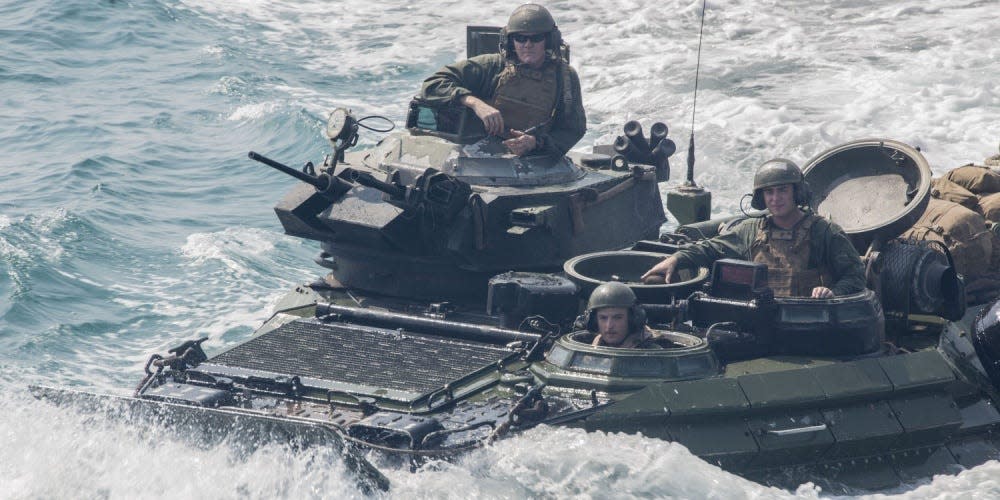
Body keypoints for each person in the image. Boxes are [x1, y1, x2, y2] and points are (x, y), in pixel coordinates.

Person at [641, 159, 866, 298]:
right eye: (769, 192)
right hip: (762, 319)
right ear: (761, 197)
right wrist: (677, 259)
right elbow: (711, 248)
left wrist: (832, 293)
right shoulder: (750, 231)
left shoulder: (824, 232)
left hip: (811, 321)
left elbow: (855, 275)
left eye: (782, 190)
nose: (775, 199)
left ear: (797, 193)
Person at [419, 4, 586, 157]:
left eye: (536, 38)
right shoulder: (491, 66)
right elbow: (432, 84)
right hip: (477, 155)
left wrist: (535, 142)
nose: (527, 44)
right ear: (510, 41)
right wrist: (476, 104)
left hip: (531, 162)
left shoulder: (565, 77)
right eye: (520, 38)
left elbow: (572, 130)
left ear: (549, 41)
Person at [585, 282, 660, 348]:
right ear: (594, 321)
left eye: (617, 318)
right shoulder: (589, 348)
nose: (609, 326)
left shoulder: (651, 352)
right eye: (603, 318)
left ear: (632, 320)